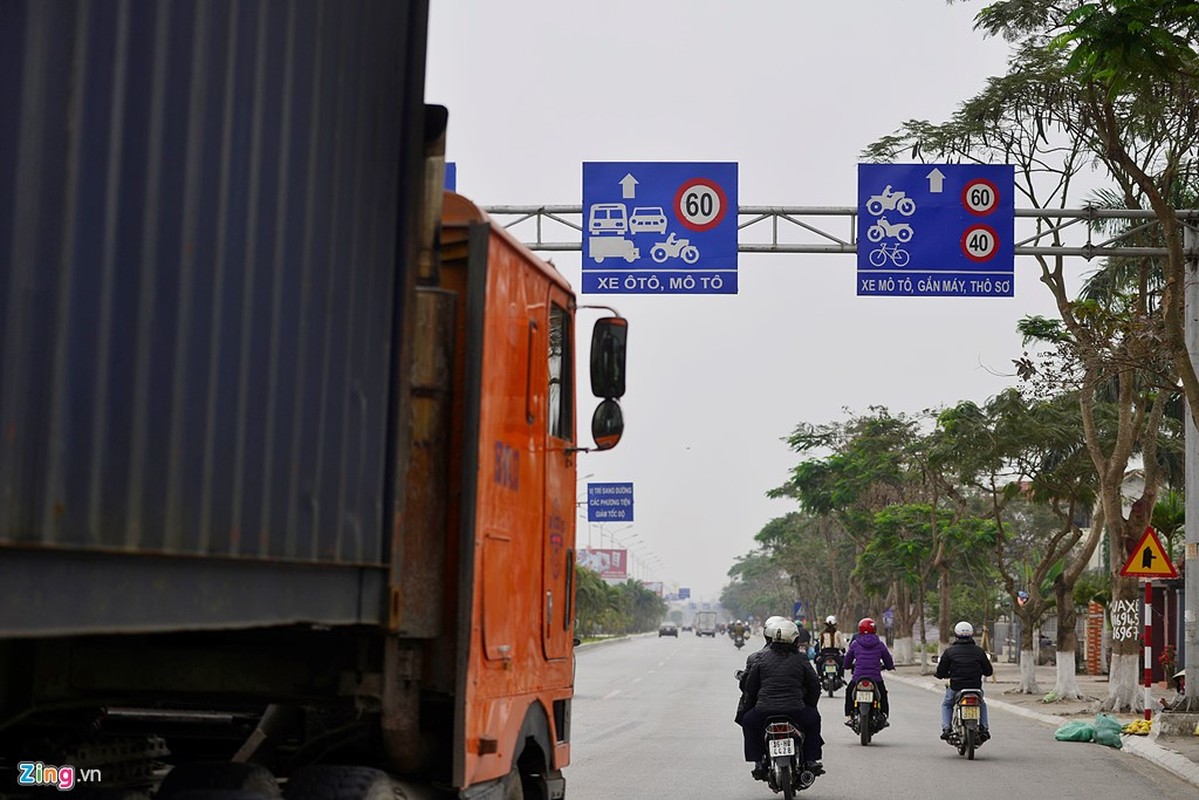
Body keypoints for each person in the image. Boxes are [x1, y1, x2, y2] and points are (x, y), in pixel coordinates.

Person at [738, 619, 824, 780]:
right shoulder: (801, 658)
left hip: (764, 711)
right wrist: (810, 705)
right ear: (794, 639)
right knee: (814, 719)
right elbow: (814, 686)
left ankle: (758, 763)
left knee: (748, 721)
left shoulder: (760, 657)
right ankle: (811, 760)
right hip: (796, 710)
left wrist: (750, 705)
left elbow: (750, 687)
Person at [935, 620, 993, 740]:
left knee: (947, 704)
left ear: (956, 634)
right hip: (975, 687)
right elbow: (988, 671)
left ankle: (946, 728)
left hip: (956, 687)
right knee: (981, 703)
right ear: (971, 634)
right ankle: (984, 728)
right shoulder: (979, 652)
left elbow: (941, 672)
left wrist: (940, 675)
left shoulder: (949, 652)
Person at [842, 617, 894, 726]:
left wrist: (846, 666)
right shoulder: (880, 644)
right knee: (883, 694)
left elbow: (847, 660)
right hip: (875, 678)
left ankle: (849, 716)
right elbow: (888, 660)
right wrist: (889, 666)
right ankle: (884, 715)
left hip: (858, 677)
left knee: (849, 692)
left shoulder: (855, 644)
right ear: (874, 629)